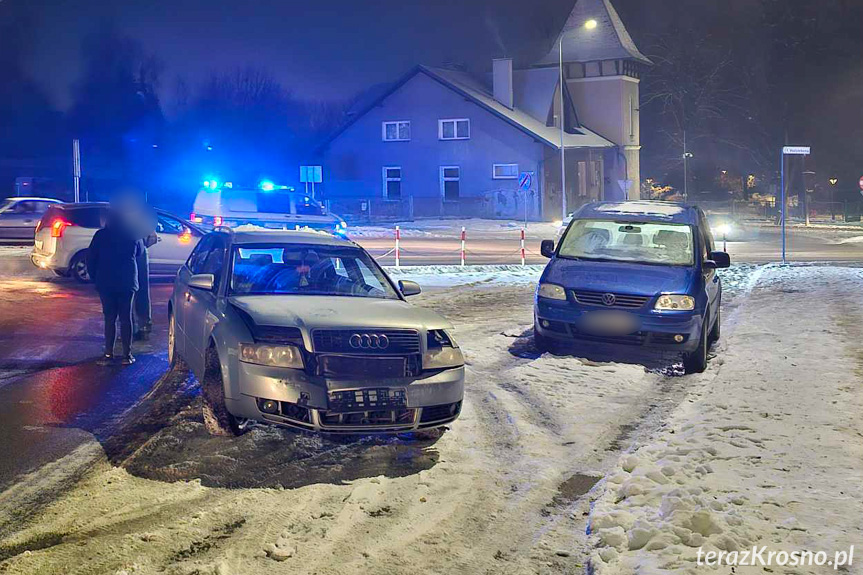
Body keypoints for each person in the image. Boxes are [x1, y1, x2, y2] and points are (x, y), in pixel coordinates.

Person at [87, 211, 145, 365]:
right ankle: (127, 355)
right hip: (127, 282)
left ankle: (108, 354)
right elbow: (140, 252)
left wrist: (95, 278)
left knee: (109, 318)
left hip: (106, 282)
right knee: (126, 318)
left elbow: (91, 258)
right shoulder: (133, 234)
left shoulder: (100, 236)